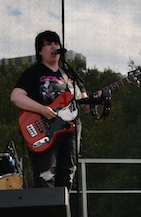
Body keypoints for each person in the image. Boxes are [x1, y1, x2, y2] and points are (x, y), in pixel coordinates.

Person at [10, 30, 91, 189]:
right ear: (40, 51)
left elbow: (85, 105)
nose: (53, 47)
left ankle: (62, 213)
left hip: (70, 130)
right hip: (44, 129)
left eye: (56, 44)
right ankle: (45, 213)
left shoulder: (69, 75)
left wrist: (100, 97)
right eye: (48, 44)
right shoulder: (34, 72)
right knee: (45, 177)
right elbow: (16, 96)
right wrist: (42, 109)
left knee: (67, 176)